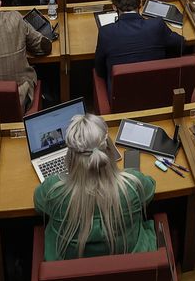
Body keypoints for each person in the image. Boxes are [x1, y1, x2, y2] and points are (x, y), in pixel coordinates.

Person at [33, 114, 157, 266]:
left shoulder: (53, 189)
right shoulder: (132, 185)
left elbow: (39, 205)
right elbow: (150, 188)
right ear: (109, 150)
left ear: (70, 157)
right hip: (130, 276)